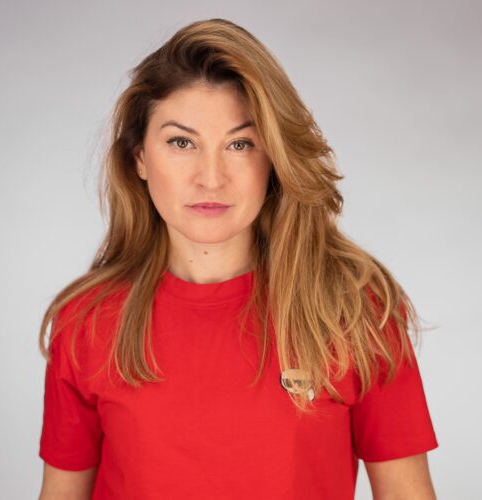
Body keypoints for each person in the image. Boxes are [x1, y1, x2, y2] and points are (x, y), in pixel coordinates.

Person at [37, 17, 439, 500]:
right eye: (181, 142)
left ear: (274, 159)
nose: (211, 177)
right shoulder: (86, 322)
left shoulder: (355, 311)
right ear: (139, 157)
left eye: (240, 144)